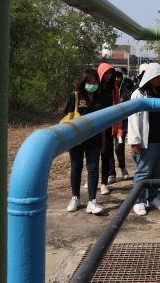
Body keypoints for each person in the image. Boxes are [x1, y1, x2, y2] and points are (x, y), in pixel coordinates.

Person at [127, 63, 160, 216]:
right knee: (143, 172)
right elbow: (133, 118)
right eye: (157, 76)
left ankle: (152, 197)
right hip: (147, 140)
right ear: (149, 76)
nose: (159, 79)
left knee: (157, 171)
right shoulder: (139, 93)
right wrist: (134, 140)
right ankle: (138, 201)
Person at [64, 69, 106, 214]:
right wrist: (67, 139)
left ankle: (92, 201)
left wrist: (103, 139)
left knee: (93, 169)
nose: (92, 85)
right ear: (83, 82)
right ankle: (75, 197)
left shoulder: (101, 98)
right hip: (77, 139)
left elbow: (103, 121)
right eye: (89, 82)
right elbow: (67, 120)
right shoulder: (75, 97)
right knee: (76, 168)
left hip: (94, 139)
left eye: (95, 82)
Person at [97, 63, 122, 194]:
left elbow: (118, 107)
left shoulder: (114, 89)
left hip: (108, 126)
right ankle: (91, 179)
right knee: (93, 155)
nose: (108, 76)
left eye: (110, 73)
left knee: (106, 155)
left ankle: (104, 183)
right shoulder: (96, 88)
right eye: (106, 73)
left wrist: (118, 128)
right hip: (95, 126)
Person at [109, 68, 132, 182]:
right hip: (108, 125)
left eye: (119, 77)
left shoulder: (126, 92)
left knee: (119, 148)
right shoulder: (106, 91)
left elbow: (130, 108)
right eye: (115, 77)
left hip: (122, 126)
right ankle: (111, 173)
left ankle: (122, 167)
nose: (117, 79)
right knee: (108, 150)